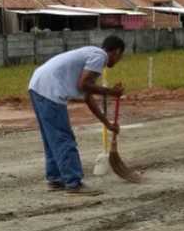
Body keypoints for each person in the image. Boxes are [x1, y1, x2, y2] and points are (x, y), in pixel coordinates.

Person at [28, 36, 126, 196]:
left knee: (52, 138)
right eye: (120, 57)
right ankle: (73, 182)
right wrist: (111, 92)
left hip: (37, 85)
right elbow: (83, 85)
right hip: (50, 90)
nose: (119, 60)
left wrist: (107, 123)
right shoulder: (100, 57)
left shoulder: (90, 53)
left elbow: (87, 96)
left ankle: (55, 179)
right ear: (117, 51)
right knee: (63, 138)